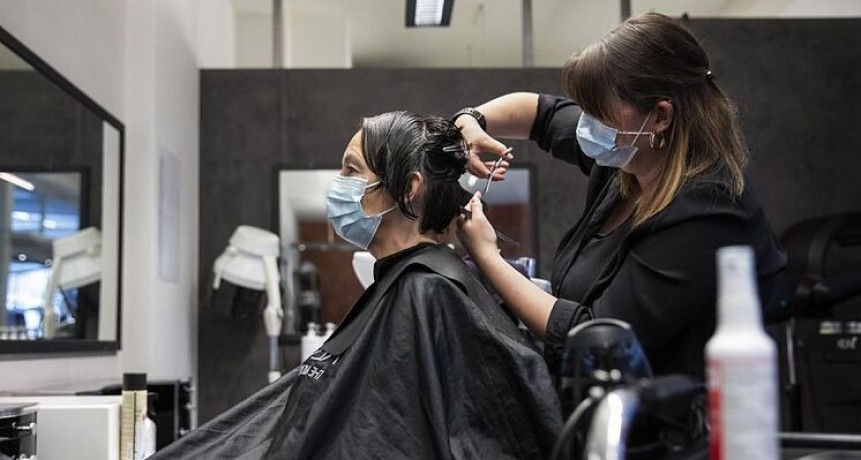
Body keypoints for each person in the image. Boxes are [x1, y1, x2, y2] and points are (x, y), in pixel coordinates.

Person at [153, 111, 561, 459]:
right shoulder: (409, 284)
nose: (339, 183)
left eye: (351, 170)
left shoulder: (428, 293)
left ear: (408, 189)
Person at [455, 12, 787, 381]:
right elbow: (540, 114)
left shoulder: (708, 213)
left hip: (664, 412)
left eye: (599, 113)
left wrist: (487, 256)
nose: (586, 124)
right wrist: (468, 122)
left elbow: (598, 339)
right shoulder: (628, 156)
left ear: (660, 116)